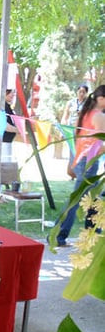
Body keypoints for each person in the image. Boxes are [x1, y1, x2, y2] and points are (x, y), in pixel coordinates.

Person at [55, 84, 105, 247]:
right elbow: (101, 140)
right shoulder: (98, 116)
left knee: (94, 197)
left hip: (81, 158)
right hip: (88, 161)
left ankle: (92, 234)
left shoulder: (85, 113)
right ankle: (59, 234)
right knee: (77, 199)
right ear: (101, 99)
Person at [59, 84, 88, 160]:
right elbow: (65, 117)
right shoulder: (70, 103)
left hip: (82, 131)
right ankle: (72, 167)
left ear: (86, 93)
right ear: (77, 92)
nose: (81, 94)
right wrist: (62, 131)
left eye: (83, 92)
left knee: (80, 151)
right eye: (80, 91)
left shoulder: (88, 104)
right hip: (71, 130)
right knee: (72, 150)